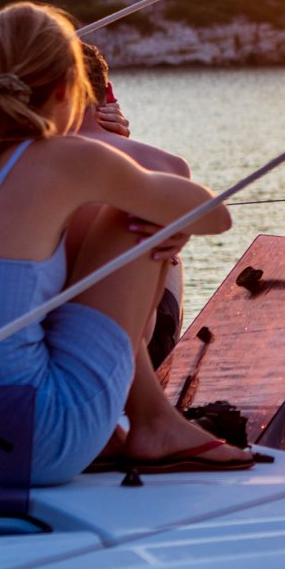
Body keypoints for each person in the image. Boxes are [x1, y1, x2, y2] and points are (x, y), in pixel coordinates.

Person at [0, 2, 251, 482]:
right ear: (69, 87)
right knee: (139, 210)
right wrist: (173, 219)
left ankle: (133, 426)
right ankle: (154, 426)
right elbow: (216, 215)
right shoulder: (69, 159)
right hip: (34, 445)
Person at [74, 42, 188, 369]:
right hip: (125, 355)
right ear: (107, 95)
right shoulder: (168, 166)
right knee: (168, 254)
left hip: (29, 344)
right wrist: (120, 148)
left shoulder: (12, 157)